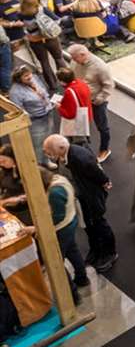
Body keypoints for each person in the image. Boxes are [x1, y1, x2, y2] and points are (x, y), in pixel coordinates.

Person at [43, 134, 117, 272]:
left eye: (49, 151)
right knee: (88, 225)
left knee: (99, 223)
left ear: (61, 148)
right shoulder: (64, 156)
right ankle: (95, 249)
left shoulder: (79, 157)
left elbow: (97, 173)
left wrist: (105, 182)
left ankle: (110, 253)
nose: (48, 154)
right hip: (80, 198)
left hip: (90, 198)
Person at [38, 169, 88, 303]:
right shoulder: (58, 179)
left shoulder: (54, 192)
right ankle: (82, 278)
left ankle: (73, 295)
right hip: (70, 221)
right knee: (73, 251)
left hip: (62, 228)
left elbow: (57, 217)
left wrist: (37, 227)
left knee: (56, 263)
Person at [68, 44, 114, 162]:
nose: (73, 60)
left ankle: (104, 149)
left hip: (96, 102)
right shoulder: (74, 62)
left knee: (102, 126)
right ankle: (84, 148)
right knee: (80, 125)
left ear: (83, 54)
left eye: (75, 57)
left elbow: (109, 86)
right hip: (80, 100)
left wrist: (98, 100)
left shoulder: (100, 66)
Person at [18, 0, 67, 91]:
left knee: (44, 63)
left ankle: (53, 86)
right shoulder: (42, 9)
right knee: (59, 58)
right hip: (50, 38)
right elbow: (58, 20)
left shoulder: (21, 13)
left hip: (35, 42)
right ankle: (66, 80)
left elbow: (22, 26)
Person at [9, 66, 54, 163]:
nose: (29, 77)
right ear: (19, 78)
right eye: (25, 76)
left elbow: (44, 91)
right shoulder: (15, 91)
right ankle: (40, 164)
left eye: (29, 74)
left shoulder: (34, 78)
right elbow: (18, 110)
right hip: (35, 121)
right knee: (38, 143)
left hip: (48, 114)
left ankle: (47, 158)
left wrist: (48, 103)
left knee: (48, 138)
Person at [56, 67, 92, 146]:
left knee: (77, 143)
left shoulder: (69, 91)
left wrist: (59, 107)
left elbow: (70, 114)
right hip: (85, 116)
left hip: (77, 123)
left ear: (63, 81)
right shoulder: (81, 83)